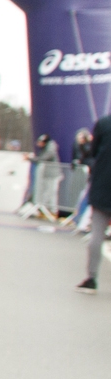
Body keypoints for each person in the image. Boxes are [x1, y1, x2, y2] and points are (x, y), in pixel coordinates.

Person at [78, 112, 111, 293]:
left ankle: (92, 278)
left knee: (97, 234)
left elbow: (93, 152)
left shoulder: (104, 124)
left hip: (103, 185)